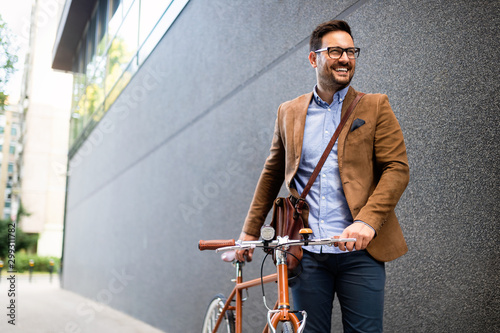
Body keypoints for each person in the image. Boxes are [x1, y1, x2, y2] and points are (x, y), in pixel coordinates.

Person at [235, 20, 409, 332]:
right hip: (305, 255)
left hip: (361, 252)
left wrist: (367, 220)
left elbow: (396, 169)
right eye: (336, 51)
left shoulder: (375, 106)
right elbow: (272, 173)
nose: (345, 58)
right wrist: (249, 231)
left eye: (351, 51)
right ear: (314, 58)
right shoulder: (289, 111)